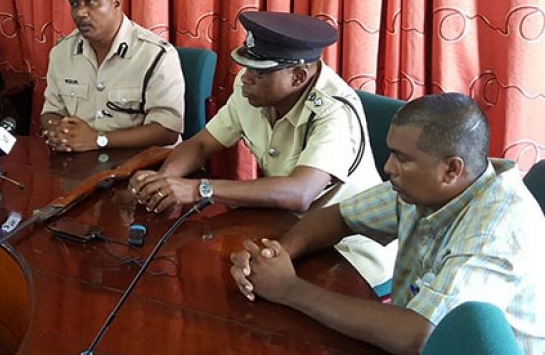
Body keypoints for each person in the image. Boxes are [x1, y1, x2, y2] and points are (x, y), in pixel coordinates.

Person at [230, 93, 545, 354]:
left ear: (451, 169)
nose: (388, 166)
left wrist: (289, 288)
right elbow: (339, 217)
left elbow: (417, 334)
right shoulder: (427, 187)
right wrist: (275, 255)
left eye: (402, 158)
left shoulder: (495, 232)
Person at [130, 11, 395, 288]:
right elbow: (201, 143)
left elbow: (299, 193)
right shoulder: (251, 92)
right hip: (287, 234)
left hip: (350, 254)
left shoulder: (334, 113)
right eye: (247, 67)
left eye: (260, 72)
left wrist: (198, 189)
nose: (245, 78)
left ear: (298, 76)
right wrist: (163, 181)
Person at [40, 0, 185, 152]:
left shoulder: (156, 55)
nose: (81, 13)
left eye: (91, 2)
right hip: (79, 162)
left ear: (116, 2)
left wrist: (99, 140)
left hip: (144, 165)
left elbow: (167, 131)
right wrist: (58, 132)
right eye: (74, 4)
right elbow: (51, 112)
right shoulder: (61, 53)